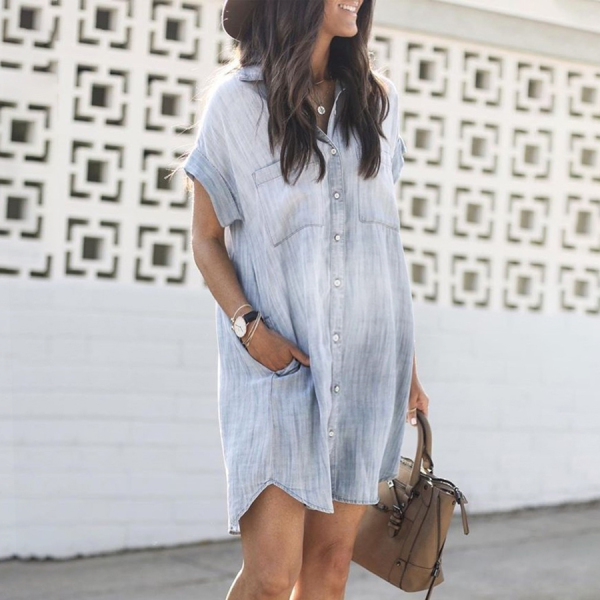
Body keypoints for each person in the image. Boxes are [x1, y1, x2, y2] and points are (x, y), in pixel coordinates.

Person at [180, 0, 430, 598]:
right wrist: (249, 329)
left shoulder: (378, 103)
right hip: (278, 367)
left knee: (331, 567)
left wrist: (409, 370)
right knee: (271, 577)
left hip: (368, 368)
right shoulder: (237, 104)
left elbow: (377, 247)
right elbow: (206, 239)